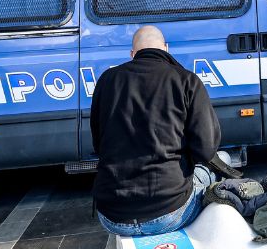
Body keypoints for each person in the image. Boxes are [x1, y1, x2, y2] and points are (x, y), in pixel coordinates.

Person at [91, 26, 221, 237]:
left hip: (112, 217)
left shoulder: (107, 80)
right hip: (170, 212)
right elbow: (206, 151)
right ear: (166, 49)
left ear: (132, 54)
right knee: (219, 162)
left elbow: (98, 144)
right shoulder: (186, 80)